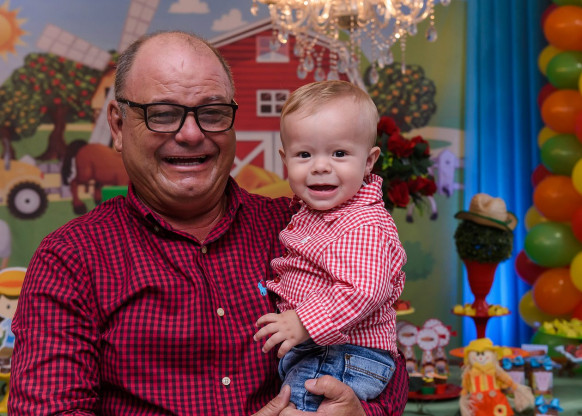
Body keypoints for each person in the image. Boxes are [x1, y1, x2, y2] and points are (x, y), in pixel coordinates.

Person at [9, 31, 408, 415]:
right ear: (117, 125)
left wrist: (359, 412)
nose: (190, 133)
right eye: (163, 114)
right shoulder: (71, 258)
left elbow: (380, 357)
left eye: (212, 113)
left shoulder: (300, 227)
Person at [253, 81, 407, 411]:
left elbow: (365, 290)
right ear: (285, 160)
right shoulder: (310, 214)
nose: (320, 166)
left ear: (369, 161)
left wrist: (303, 321)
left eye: (339, 153)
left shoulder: (362, 223)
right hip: (325, 351)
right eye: (304, 154)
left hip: (345, 354)